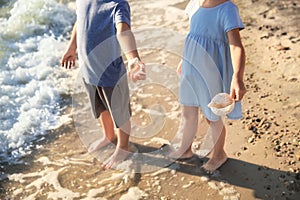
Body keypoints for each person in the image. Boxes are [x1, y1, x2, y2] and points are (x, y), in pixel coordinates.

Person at [61, 0, 145, 169]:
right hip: (88, 69)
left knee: (120, 112)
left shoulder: (118, 4)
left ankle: (123, 147)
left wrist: (133, 58)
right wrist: (72, 47)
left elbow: (123, 31)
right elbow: (80, 19)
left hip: (110, 73)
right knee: (100, 108)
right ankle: (109, 136)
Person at [169, 0, 246, 173]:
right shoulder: (195, 4)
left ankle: (219, 154)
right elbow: (195, 34)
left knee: (212, 116)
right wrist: (184, 59)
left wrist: (237, 77)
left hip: (211, 71)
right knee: (188, 112)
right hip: (191, 67)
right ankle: (186, 149)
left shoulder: (227, 9)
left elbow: (236, 47)